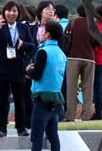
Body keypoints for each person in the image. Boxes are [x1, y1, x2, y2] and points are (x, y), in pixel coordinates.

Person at [0, 1, 35, 137]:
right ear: (4, 12)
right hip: (2, 68)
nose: (11, 13)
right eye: (8, 10)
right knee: (2, 100)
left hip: (18, 68)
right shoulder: (0, 26)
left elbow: (32, 46)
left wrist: (22, 44)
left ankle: (21, 127)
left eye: (14, 11)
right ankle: (2, 128)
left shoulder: (23, 28)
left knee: (20, 99)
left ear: (18, 13)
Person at [26, 21, 67, 151]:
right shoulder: (62, 54)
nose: (42, 33)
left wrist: (29, 70)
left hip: (42, 97)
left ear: (48, 34)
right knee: (53, 135)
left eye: (43, 31)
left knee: (36, 136)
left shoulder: (43, 51)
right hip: (56, 98)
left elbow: (37, 75)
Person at [65, 4, 98, 121]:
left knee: (71, 88)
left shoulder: (72, 23)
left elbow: (65, 38)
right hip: (89, 58)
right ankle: (86, 116)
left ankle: (70, 116)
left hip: (73, 57)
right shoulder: (93, 25)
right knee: (88, 89)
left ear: (78, 12)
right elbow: (97, 41)